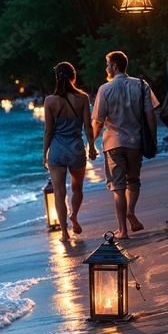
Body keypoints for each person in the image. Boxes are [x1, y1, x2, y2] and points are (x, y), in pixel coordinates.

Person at [91, 50, 159, 240]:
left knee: (118, 187)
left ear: (114, 66)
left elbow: (98, 121)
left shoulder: (105, 89)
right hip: (135, 143)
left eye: (107, 64)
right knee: (134, 181)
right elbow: (151, 116)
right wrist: (153, 140)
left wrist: (90, 143)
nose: (106, 68)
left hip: (113, 143)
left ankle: (123, 230)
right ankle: (130, 211)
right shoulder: (141, 85)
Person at [43, 61, 98, 243]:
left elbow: (48, 131)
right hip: (76, 149)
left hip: (57, 151)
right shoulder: (82, 98)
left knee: (59, 193)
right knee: (77, 189)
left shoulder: (49, 101)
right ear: (74, 76)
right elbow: (88, 126)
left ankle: (64, 233)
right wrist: (91, 146)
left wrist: (44, 154)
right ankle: (74, 215)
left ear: (56, 78)